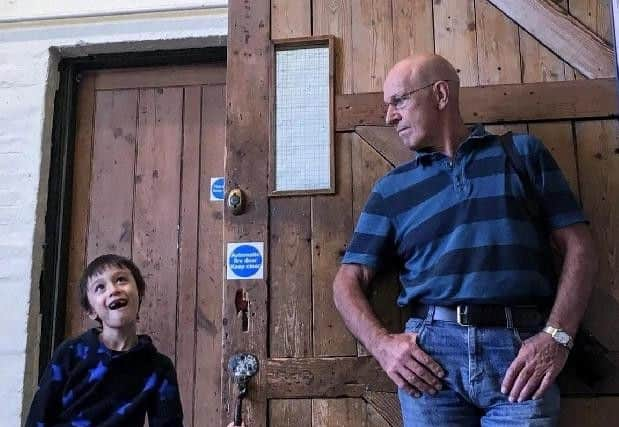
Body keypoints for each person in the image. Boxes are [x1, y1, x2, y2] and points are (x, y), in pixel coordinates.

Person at [333, 53, 598, 426]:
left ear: (440, 94)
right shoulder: (391, 190)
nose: (389, 116)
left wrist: (557, 338)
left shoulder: (521, 155)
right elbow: (347, 281)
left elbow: (580, 248)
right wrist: (382, 346)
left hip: (521, 357)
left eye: (398, 101)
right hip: (429, 363)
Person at [26, 254, 183, 427]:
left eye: (121, 280)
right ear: (91, 311)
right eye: (100, 287)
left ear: (139, 292)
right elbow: (38, 417)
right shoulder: (70, 353)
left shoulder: (158, 367)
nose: (113, 290)